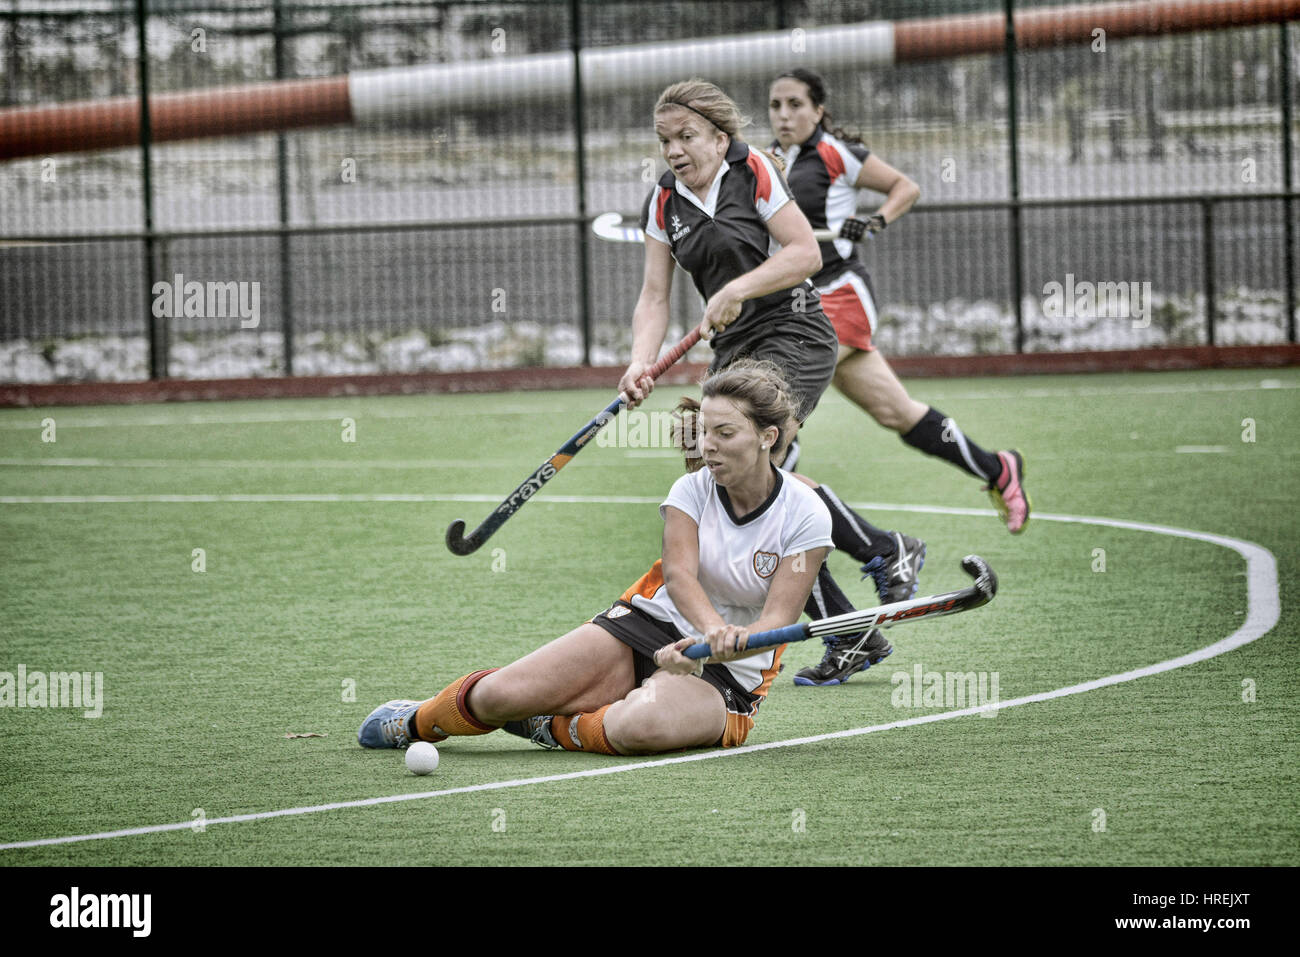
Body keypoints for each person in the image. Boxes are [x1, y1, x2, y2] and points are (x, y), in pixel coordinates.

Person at [358, 361, 833, 755]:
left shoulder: (806, 514)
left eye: (725, 433)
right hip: (647, 627)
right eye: (705, 431)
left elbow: (775, 622)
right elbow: (680, 576)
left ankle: (552, 727)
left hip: (728, 674)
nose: (707, 445)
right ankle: (418, 719)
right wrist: (707, 629)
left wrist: (717, 646)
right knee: (500, 696)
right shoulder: (691, 490)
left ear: (768, 437)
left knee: (639, 728)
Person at [617, 78, 922, 687]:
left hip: (796, 332)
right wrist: (639, 363)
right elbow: (654, 295)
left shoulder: (751, 169)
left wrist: (736, 289)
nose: (674, 150)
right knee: (713, 473)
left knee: (755, 473)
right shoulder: (664, 200)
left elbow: (804, 253)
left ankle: (883, 551)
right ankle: (853, 627)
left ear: (718, 135)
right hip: (735, 350)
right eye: (665, 140)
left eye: (687, 136)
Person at [767, 68, 1031, 536]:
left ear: (818, 111)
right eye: (776, 106)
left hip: (841, 294)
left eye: (795, 105)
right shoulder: (768, 162)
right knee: (897, 412)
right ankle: (997, 468)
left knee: (777, 404)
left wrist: (872, 222)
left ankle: (776, 507)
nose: (784, 115)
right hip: (800, 302)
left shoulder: (837, 154)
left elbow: (905, 187)